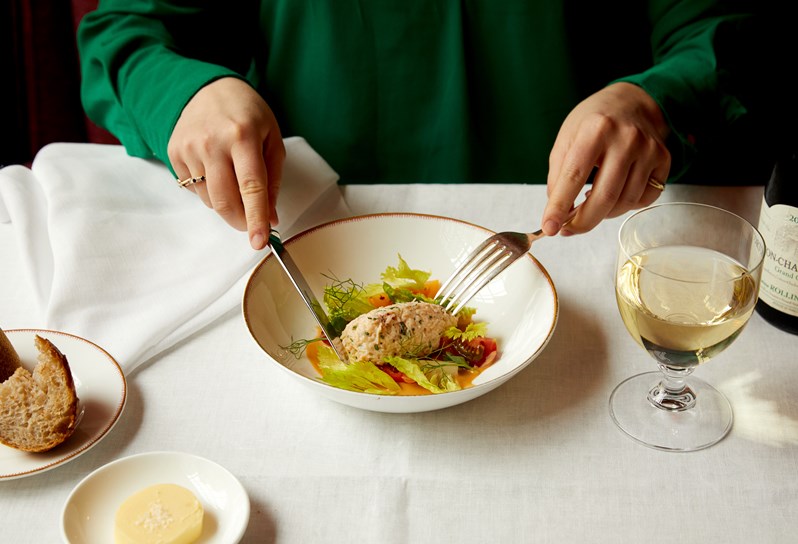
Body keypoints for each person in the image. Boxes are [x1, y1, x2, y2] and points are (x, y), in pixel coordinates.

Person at [76, 1, 768, 251]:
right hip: (301, 241)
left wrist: (655, 101)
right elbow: (129, 32)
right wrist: (188, 94)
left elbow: (721, 33)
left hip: (577, 242)